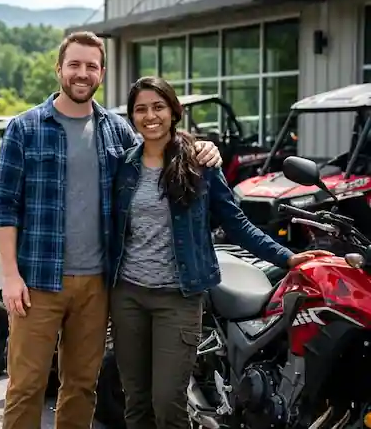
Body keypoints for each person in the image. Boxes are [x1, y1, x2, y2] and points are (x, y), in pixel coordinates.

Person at [0, 31, 222, 429]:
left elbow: (160, 150)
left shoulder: (117, 131)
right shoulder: (25, 128)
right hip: (37, 283)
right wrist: (10, 276)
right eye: (75, 65)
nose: (82, 73)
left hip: (98, 285)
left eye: (91, 66)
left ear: (101, 73)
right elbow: (4, 206)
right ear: (59, 68)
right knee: (26, 386)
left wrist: (205, 148)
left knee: (82, 385)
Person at [109, 76, 332, 429]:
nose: (150, 116)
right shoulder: (121, 165)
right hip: (128, 296)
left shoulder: (200, 164)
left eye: (158, 107)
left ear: (173, 111)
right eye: (140, 109)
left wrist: (286, 257)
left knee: (168, 403)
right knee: (136, 403)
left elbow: (237, 223)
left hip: (179, 298)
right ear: (132, 117)